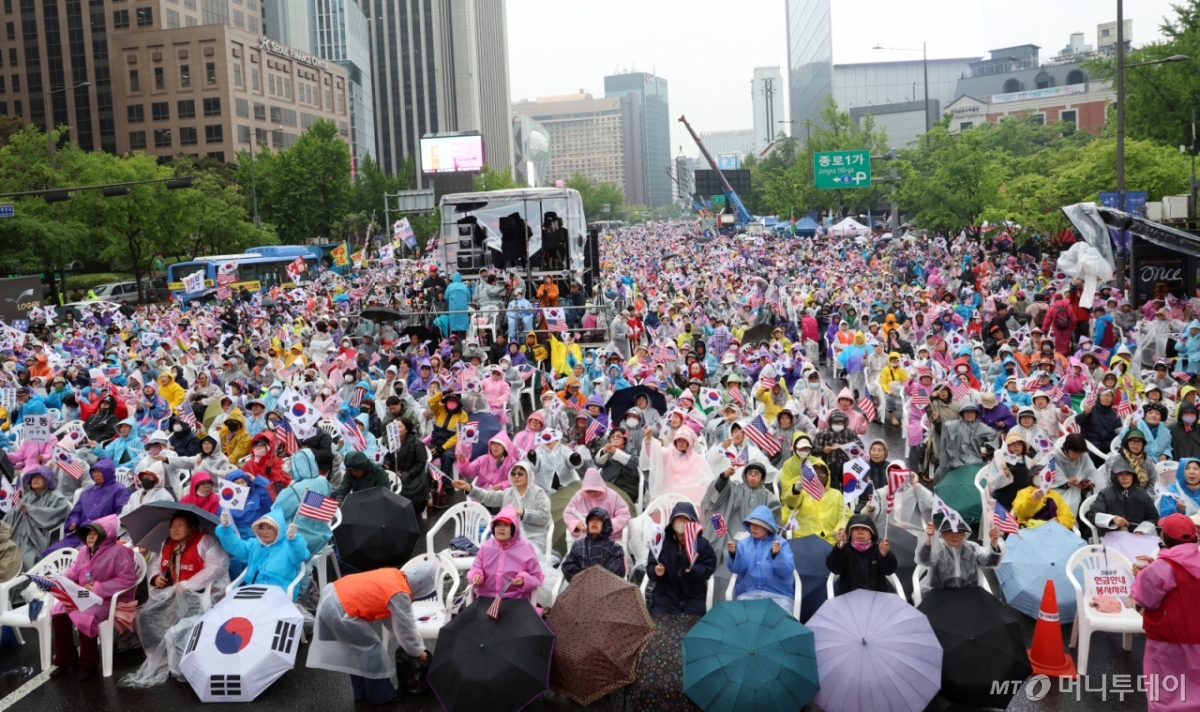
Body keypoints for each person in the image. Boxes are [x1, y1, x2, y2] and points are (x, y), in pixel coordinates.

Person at [307, 563, 436, 706]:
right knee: (372, 651)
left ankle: (361, 692)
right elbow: (406, 629)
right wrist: (418, 651)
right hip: (340, 609)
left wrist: (408, 644)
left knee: (358, 651)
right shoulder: (400, 593)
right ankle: (381, 696)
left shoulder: (394, 576)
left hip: (333, 595)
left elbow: (390, 616)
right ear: (421, 587)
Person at [49, 515, 137, 681]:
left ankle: (89, 664)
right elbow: (74, 570)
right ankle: (66, 659)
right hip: (84, 594)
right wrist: (61, 580)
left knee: (84, 617)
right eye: (88, 533)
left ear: (106, 535)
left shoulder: (119, 552)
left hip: (107, 599)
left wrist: (99, 587)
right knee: (59, 612)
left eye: (95, 534)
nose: (90, 537)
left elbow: (128, 579)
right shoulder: (83, 551)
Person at [1131, 514, 1200, 711]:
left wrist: (1141, 575)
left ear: (1165, 538)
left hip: (1168, 638)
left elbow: (1146, 599)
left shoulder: (1163, 567)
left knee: (1164, 688)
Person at [136, 512, 229, 657]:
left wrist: (190, 584)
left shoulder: (206, 541)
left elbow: (215, 567)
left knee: (182, 621)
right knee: (146, 614)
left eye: (180, 525)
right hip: (175, 592)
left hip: (200, 594)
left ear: (191, 527)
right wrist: (156, 577)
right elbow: (157, 564)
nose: (175, 529)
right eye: (173, 526)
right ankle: (159, 655)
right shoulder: (168, 543)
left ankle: (183, 654)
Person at [454, 461, 552, 557]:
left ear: (528, 475)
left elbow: (543, 517)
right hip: (509, 537)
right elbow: (488, 496)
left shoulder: (538, 492)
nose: (516, 476)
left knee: (515, 554)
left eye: (520, 473)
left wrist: (521, 512)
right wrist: (469, 488)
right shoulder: (508, 493)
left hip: (534, 538)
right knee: (490, 554)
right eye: (513, 473)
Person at [216, 509, 309, 600]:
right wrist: (225, 529)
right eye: (262, 528)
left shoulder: (288, 546)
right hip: (252, 591)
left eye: (269, 528)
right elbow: (236, 546)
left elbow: (301, 554)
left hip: (279, 591)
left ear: (278, 530)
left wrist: (294, 540)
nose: (265, 532)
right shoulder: (254, 545)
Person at [46, 458, 131, 555]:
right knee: (52, 552)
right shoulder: (87, 491)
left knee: (81, 555)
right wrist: (73, 522)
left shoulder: (120, 490)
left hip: (101, 535)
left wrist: (102, 527)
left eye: (99, 472)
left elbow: (121, 514)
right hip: (81, 533)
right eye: (94, 471)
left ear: (108, 472)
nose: (95, 474)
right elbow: (76, 512)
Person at [645, 502, 716, 616]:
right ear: (672, 521)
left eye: (686, 519)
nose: (682, 522)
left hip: (694, 599)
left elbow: (709, 566)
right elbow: (650, 565)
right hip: (665, 600)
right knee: (659, 625)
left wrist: (695, 570)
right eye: (678, 518)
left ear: (693, 522)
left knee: (694, 626)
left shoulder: (702, 544)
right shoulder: (661, 543)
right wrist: (656, 570)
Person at [702, 461, 780, 564]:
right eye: (749, 472)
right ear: (745, 475)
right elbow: (716, 495)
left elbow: (775, 524)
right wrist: (724, 476)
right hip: (731, 537)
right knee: (728, 556)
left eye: (757, 473)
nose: (753, 475)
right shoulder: (735, 488)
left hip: (758, 541)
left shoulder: (769, 497)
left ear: (762, 477)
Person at [726, 505, 796, 612]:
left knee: (779, 621)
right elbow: (738, 569)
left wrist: (777, 555)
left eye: (758, 525)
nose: (753, 527)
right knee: (741, 621)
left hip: (778, 597)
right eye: (751, 524)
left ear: (768, 527)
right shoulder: (743, 544)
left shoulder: (781, 543)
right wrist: (734, 554)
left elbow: (786, 572)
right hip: (747, 596)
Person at [466, 506, 545, 601]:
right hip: (486, 599)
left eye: (506, 525)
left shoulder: (525, 547)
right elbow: (475, 569)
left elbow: (537, 578)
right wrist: (475, 577)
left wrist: (524, 581)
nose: (501, 528)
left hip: (515, 600)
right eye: (498, 525)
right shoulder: (486, 547)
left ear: (514, 528)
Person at [272, 449, 335, 560]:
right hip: (321, 534)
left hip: (300, 539)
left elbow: (277, 513)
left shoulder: (294, 490)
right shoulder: (323, 481)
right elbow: (314, 502)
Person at [916, 517, 1002, 597]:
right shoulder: (937, 549)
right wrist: (929, 539)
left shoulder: (972, 548)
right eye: (950, 531)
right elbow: (924, 560)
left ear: (964, 534)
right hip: (940, 593)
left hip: (969, 593)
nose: (954, 535)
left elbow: (990, 562)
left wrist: (994, 543)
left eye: (959, 532)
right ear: (942, 533)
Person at [9, 467, 71, 571]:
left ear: (47, 480)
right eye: (33, 477)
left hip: (38, 536)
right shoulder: (28, 496)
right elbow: (14, 513)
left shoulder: (56, 497)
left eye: (39, 477)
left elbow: (57, 513)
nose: (35, 479)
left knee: (25, 557)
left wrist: (31, 510)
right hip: (20, 532)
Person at [825, 513, 897, 595]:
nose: (860, 532)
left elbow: (890, 571)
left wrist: (884, 556)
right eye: (856, 528)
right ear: (850, 532)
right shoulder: (845, 550)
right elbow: (834, 568)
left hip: (877, 597)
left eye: (864, 529)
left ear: (872, 533)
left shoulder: (878, 550)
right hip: (850, 598)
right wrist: (839, 549)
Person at [562, 467, 631, 544]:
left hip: (610, 538)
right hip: (585, 539)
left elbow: (624, 514)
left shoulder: (612, 496)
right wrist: (577, 524)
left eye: (595, 491)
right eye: (589, 491)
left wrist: (608, 524)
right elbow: (568, 514)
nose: (592, 494)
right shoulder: (578, 497)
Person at [1092, 461, 1160, 535]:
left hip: (1138, 537)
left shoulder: (1143, 496)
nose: (1125, 478)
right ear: (1115, 476)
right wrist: (1112, 519)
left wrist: (1143, 530)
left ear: (1133, 476)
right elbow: (1093, 515)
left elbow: (1153, 518)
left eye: (1128, 474)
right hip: (1112, 536)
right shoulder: (1105, 494)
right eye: (1120, 474)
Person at [560, 507, 626, 583]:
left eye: (599, 520)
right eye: (591, 519)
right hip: (582, 586)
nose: (594, 522)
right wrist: (582, 579)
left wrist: (597, 581)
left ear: (605, 524)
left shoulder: (615, 548)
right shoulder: (578, 545)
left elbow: (616, 570)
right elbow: (568, 565)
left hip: (606, 587)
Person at [1012, 481, 1077, 530]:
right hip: (1029, 531)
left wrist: (1058, 521)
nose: (1041, 478)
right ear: (1032, 477)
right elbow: (1020, 513)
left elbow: (1069, 516)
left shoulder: (1055, 495)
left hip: (1053, 531)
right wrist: (1033, 499)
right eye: (1037, 474)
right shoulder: (1023, 493)